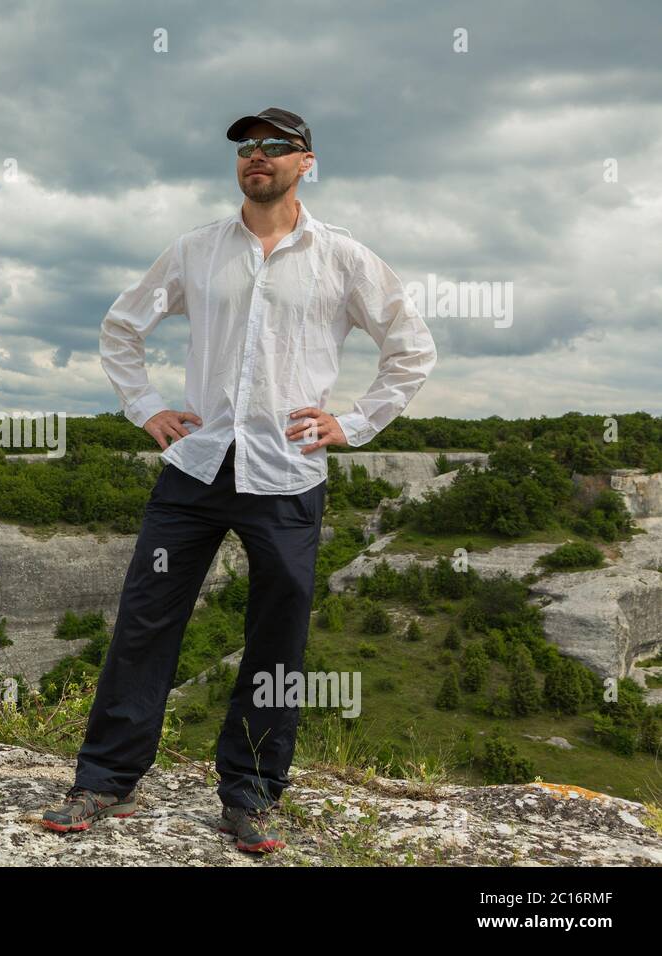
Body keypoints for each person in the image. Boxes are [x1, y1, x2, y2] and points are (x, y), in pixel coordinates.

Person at [40, 107, 438, 852]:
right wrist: (148, 407)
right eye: (246, 147)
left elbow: (410, 349)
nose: (257, 156)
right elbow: (122, 327)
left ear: (305, 162)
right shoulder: (196, 251)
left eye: (274, 147)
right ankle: (104, 780)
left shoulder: (343, 258)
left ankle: (250, 792)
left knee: (277, 637)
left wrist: (352, 423)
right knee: (148, 618)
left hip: (286, 473)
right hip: (196, 466)